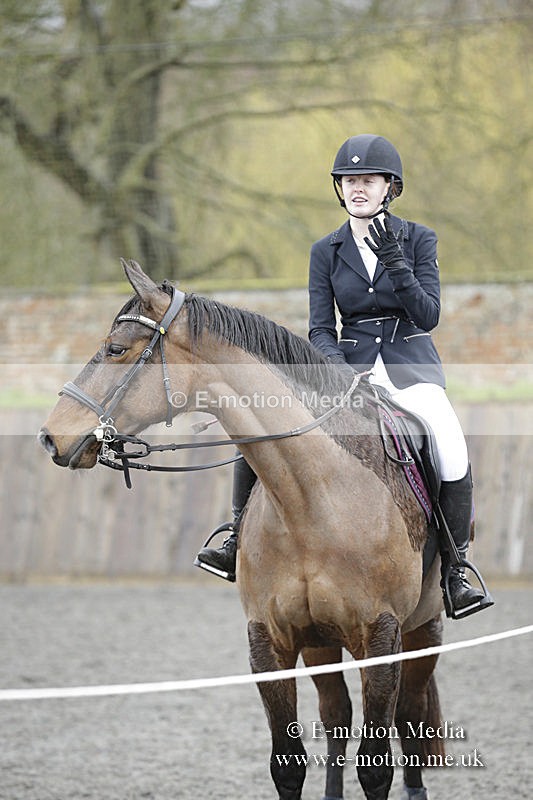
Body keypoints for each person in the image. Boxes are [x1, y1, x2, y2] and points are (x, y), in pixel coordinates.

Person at [195, 133, 492, 618]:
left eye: (368, 180)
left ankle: (456, 569)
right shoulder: (326, 250)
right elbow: (320, 326)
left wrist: (396, 262)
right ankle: (234, 537)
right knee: (264, 422)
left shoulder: (419, 239)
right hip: (346, 370)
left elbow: (429, 314)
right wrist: (337, 372)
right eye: (350, 180)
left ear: (389, 187)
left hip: (410, 367)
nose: (358, 188)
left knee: (449, 444)